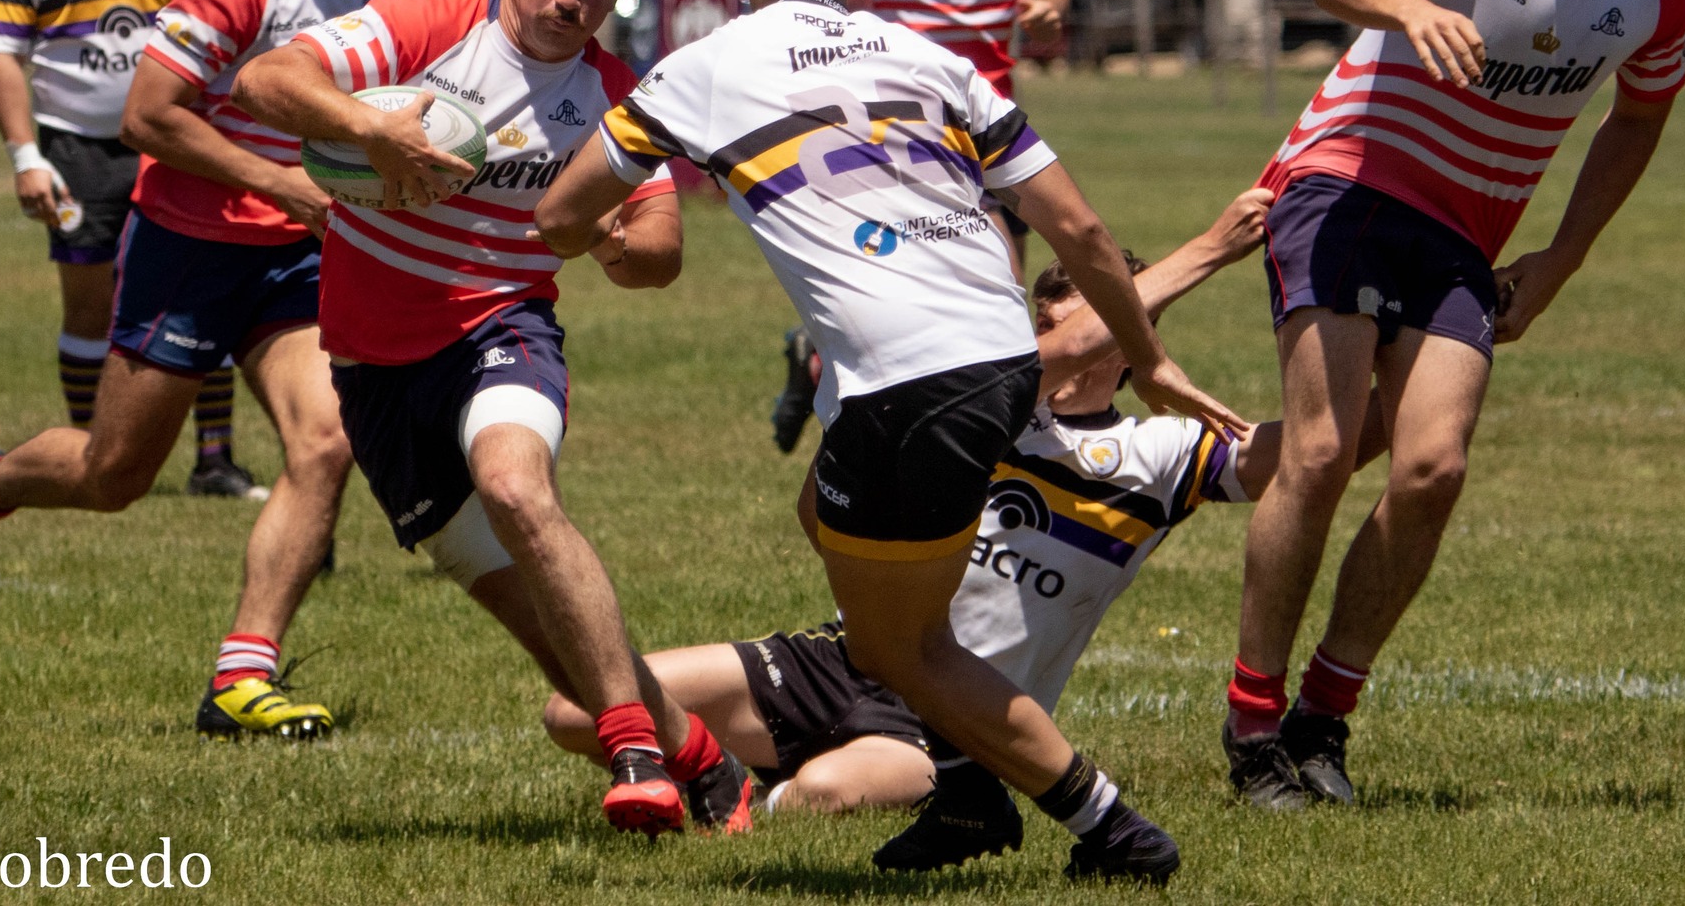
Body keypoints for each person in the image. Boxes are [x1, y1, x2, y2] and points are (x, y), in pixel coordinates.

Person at [537, 0, 1245, 883]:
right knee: (822, 522)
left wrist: (601, 234)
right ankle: (962, 792)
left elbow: (556, 216)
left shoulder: (702, 66)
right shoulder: (936, 63)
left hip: (912, 387)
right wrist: (1153, 360)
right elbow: (1081, 230)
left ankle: (1109, 831)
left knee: (895, 651)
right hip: (1000, 359)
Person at [1221, 0, 1685, 810]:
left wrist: (1561, 259)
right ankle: (1251, 727)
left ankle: (1322, 718)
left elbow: (1634, 123)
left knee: (1430, 468)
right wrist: (1408, 6)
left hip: (1461, 236)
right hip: (1343, 184)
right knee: (1316, 450)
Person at [543, 190, 1390, 829]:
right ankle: (709, 765)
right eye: (1056, 315)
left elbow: (1320, 446)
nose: (1068, 334)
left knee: (826, 792)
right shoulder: (998, 399)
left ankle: (758, 791)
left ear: (1138, 341)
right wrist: (1208, 247)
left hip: (955, 715)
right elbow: (1057, 354)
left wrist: (1419, 362)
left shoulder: (1159, 455)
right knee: (580, 707)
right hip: (842, 659)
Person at [230, 0, 753, 837]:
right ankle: (700, 757)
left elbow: (660, 252)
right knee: (544, 627)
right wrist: (370, 130)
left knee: (516, 488)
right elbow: (265, 80)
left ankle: (634, 750)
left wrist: (602, 239)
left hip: (500, 329)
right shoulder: (424, 27)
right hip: (373, 371)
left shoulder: (611, 94)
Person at [0, 0, 396, 742]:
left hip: (294, 254)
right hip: (188, 245)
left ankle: (240, 678)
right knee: (113, 476)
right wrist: (279, 184)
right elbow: (147, 118)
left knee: (325, 442)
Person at [767, 0, 1069, 452]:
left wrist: (1050, 7)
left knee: (997, 287)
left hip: (988, 113)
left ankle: (981, 450)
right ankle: (823, 369)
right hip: (898, 116)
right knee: (895, 283)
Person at [0, 0, 258, 500]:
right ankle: (87, 451)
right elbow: (3, 54)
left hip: (175, 141)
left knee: (202, 292)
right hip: (78, 152)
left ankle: (215, 461)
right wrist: (24, 156)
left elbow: (218, 39)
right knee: (87, 307)